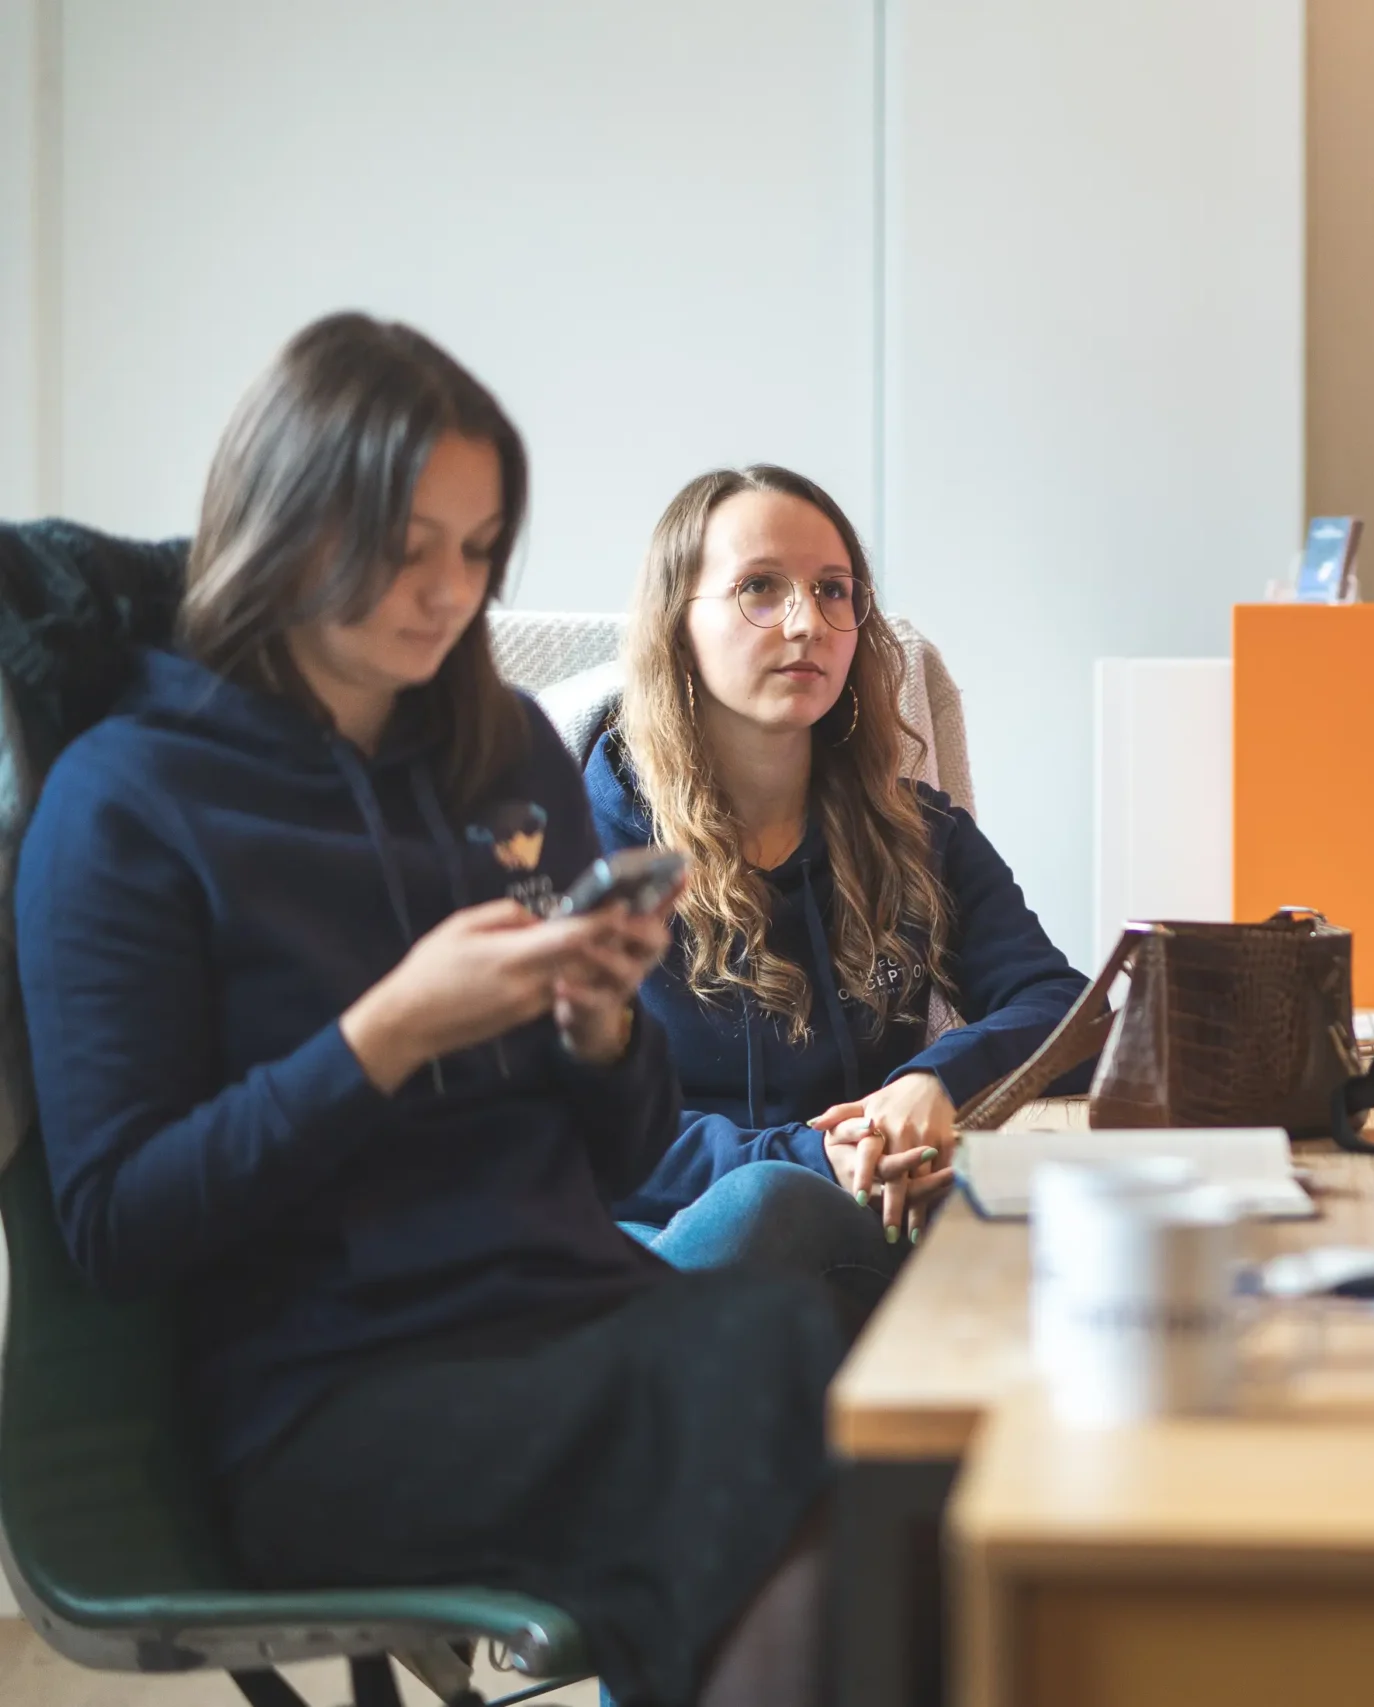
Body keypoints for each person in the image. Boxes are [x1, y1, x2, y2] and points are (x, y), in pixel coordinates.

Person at [14, 314, 841, 1707]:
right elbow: (113, 1219)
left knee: (848, 1402)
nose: (446, 591)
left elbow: (623, 1156)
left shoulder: (499, 750)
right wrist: (383, 1035)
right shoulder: (131, 802)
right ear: (282, 520)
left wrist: (601, 1023)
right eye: (406, 545)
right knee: (763, 1380)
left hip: (568, 1318)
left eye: (477, 548)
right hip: (320, 1404)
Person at [586, 464, 1085, 1277]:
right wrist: (819, 1159)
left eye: (833, 590)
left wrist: (931, 1081)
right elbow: (591, 1129)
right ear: (677, 623)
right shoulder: (591, 852)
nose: (806, 622)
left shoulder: (919, 833)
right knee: (768, 1207)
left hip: (869, 1215)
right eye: (759, 588)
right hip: (660, 1245)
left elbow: (1062, 1008)